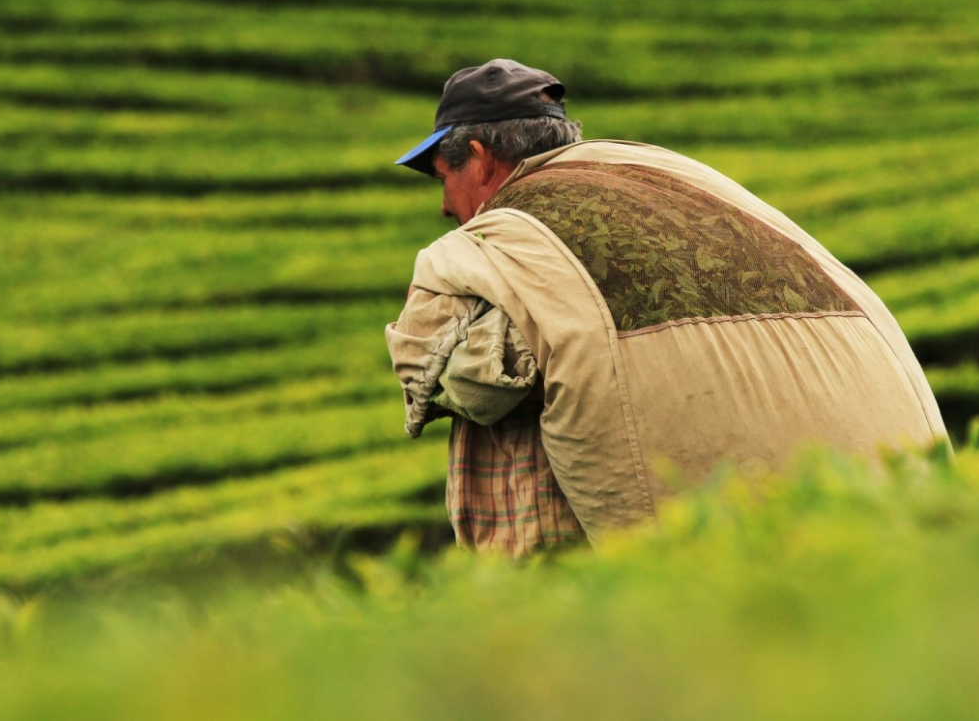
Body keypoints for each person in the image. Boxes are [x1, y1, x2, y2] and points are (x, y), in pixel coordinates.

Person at [386, 59, 949, 557]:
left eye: (445, 177)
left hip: (670, 546)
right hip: (879, 497)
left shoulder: (504, 235)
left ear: (479, 159)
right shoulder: (673, 181)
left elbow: (430, 364)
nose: (443, 205)